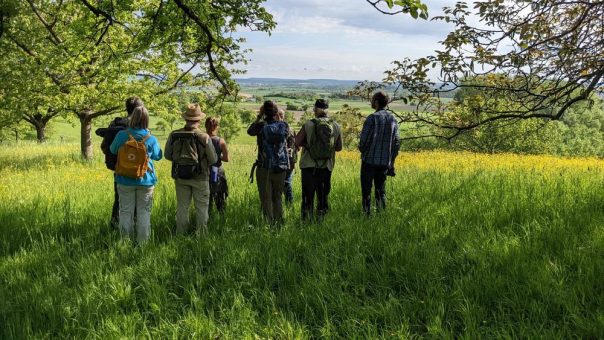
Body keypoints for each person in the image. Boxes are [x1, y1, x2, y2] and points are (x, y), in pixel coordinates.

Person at [109, 106, 162, 243]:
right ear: (147, 120)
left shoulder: (122, 135)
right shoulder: (151, 138)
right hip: (146, 180)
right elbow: (158, 156)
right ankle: (142, 244)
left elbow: (113, 150)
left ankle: (125, 242)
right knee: (144, 212)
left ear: (132, 118)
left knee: (125, 212)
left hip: (124, 178)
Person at [164, 104, 218, 235]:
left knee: (182, 208)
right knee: (201, 209)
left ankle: (180, 234)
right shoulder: (204, 137)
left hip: (181, 176)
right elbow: (213, 159)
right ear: (199, 120)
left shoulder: (174, 135)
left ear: (186, 119)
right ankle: (201, 236)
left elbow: (167, 155)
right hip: (201, 177)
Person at [95, 96, 143, 228]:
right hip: (140, 171)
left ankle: (116, 226)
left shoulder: (115, 124)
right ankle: (136, 227)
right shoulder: (141, 125)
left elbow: (106, 147)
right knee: (139, 203)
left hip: (119, 169)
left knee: (119, 199)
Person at [295, 99, 342, 221]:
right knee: (322, 196)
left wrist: (307, 144)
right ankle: (321, 221)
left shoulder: (308, 124)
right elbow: (339, 148)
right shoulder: (336, 126)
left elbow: (297, 142)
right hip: (326, 166)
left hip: (308, 166)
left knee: (307, 196)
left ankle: (305, 222)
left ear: (315, 110)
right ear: (327, 110)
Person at [358, 91, 401, 216]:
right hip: (384, 162)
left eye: (372, 100)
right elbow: (397, 142)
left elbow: (364, 141)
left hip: (369, 161)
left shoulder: (372, 118)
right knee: (380, 190)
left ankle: (367, 216)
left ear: (376, 102)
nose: (371, 102)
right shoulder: (393, 119)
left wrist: (363, 150)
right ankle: (381, 215)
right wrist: (391, 161)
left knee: (366, 190)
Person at [247, 101, 290, 224]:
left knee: (266, 199)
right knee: (278, 198)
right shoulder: (284, 125)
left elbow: (249, 131)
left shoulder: (260, 126)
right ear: (276, 112)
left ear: (264, 112)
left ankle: (269, 224)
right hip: (280, 168)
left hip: (264, 168)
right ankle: (280, 224)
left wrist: (259, 116)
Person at [205, 116, 230, 213]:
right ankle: (222, 216)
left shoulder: (201, 138)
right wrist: (217, 156)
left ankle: (207, 217)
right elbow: (226, 158)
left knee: (207, 197)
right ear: (216, 126)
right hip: (218, 171)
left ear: (205, 126)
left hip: (205, 170)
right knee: (220, 196)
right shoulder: (221, 141)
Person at [276, 109, 297, 205]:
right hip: (291, 161)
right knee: (286, 182)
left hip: (283, 161)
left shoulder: (278, 129)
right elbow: (298, 147)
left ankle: (289, 204)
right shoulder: (292, 128)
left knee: (286, 183)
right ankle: (289, 205)